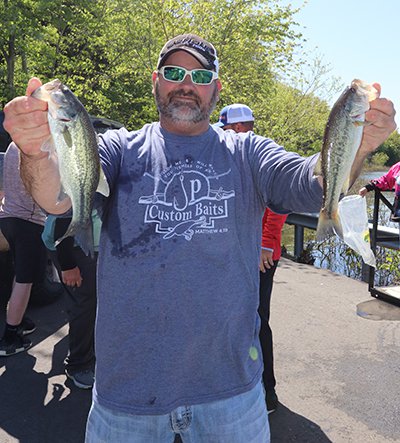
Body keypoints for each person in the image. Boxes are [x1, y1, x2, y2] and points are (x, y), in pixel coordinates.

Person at [3, 34, 396, 443]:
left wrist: (356, 148)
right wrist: (33, 152)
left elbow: (306, 182)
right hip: (127, 394)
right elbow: (58, 198)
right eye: (174, 72)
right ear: (155, 81)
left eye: (200, 74)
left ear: (216, 88)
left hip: (233, 394)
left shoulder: (248, 152)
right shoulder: (120, 148)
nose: (186, 83)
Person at [215, 103, 287, 413]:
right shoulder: (221, 156)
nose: (238, 133)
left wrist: (266, 245)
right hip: (228, 254)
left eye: (245, 126)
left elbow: (279, 204)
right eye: (232, 129)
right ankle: (231, 384)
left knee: (257, 320)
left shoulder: (260, 154)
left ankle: (266, 388)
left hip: (259, 255)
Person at [42, 212, 99, 389]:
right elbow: (64, 216)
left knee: (93, 304)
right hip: (73, 246)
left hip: (92, 244)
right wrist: (67, 265)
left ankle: (90, 357)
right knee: (84, 304)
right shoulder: (80, 182)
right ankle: (78, 365)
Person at [0, 144, 47, 356]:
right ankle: (10, 338)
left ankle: (18, 320)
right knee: (24, 280)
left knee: (19, 273)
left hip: (8, 216)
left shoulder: (13, 144)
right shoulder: (36, 146)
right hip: (27, 220)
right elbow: (42, 186)